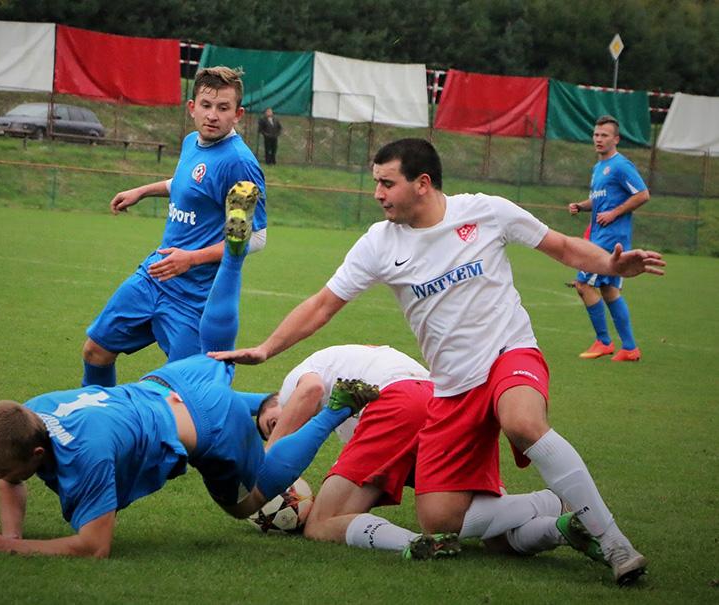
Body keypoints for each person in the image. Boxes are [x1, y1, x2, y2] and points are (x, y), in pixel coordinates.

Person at [211, 138, 665, 585]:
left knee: (522, 422)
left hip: (510, 352)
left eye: (387, 183)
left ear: (422, 183)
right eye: (376, 182)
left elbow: (563, 247)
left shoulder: (486, 211)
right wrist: (268, 347)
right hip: (449, 388)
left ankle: (614, 542)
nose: (377, 193)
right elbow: (323, 304)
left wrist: (611, 264)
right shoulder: (378, 244)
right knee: (439, 520)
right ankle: (555, 512)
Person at [0, 187, 375, 558]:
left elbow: (94, 546)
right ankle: (234, 258)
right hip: (172, 379)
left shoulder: (86, 454)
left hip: (208, 424)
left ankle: (334, 410)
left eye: (4, 469)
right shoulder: (30, 415)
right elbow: (10, 475)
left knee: (251, 500)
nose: (0, 477)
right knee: (218, 352)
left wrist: (8, 547)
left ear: (37, 456)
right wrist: (9, 532)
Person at [258, 344, 582, 562]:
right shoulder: (351, 381)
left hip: (401, 401)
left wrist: (266, 465)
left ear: (275, 400)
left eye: (272, 421)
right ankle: (561, 524)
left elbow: (310, 390)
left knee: (322, 523)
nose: (280, 426)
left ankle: (411, 544)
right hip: (447, 404)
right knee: (494, 537)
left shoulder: (297, 382)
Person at [81, 66, 268, 388]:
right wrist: (142, 191)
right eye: (206, 106)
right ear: (192, 108)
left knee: (184, 390)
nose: (213, 115)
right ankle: (99, 420)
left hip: (194, 295)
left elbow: (258, 238)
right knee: (95, 351)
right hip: (154, 275)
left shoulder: (239, 162)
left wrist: (191, 258)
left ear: (237, 114)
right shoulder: (192, 142)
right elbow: (188, 183)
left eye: (223, 108)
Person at [569, 115, 650, 362]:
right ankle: (630, 348)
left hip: (609, 239)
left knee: (584, 285)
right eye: (596, 135)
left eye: (604, 135)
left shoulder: (621, 165)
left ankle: (604, 342)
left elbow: (643, 194)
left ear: (616, 139)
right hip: (601, 235)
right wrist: (582, 206)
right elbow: (600, 200)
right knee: (609, 289)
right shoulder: (598, 168)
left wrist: (614, 213)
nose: (598, 139)